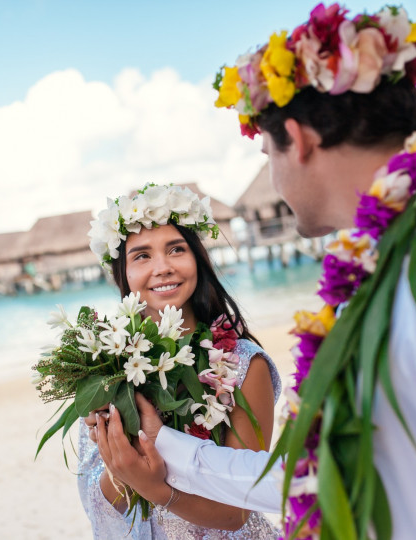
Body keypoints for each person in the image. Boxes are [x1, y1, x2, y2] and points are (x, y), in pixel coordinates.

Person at [96, 3, 416, 539]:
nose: (273, 180)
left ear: (298, 139)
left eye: (269, 154)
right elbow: (309, 473)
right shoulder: (375, 272)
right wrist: (164, 449)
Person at [78, 183, 282, 538]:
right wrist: (120, 459)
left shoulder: (245, 365)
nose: (163, 268)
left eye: (176, 249)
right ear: (122, 272)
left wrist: (160, 489)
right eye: (142, 255)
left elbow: (237, 512)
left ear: (198, 258)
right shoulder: (108, 367)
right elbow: (102, 497)